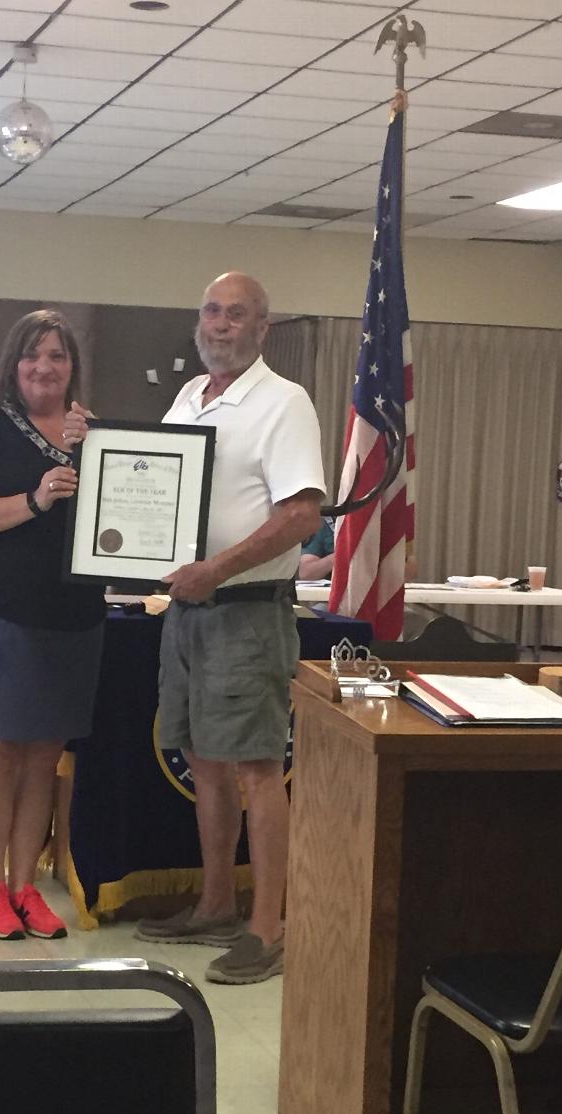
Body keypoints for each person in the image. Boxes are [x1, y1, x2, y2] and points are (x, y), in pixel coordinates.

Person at [135, 272, 325, 984]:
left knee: (255, 770)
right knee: (203, 760)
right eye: (211, 310)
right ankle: (216, 902)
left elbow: (302, 514)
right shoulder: (190, 396)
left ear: (262, 327)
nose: (219, 324)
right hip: (186, 611)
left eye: (235, 314)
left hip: (247, 613)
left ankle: (267, 925)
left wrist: (215, 569)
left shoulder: (284, 402)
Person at [0, 309, 104, 943]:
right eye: (34, 355)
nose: (45, 366)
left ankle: (24, 886)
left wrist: (99, 449)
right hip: (0, 615)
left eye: (58, 356)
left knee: (44, 759)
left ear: (72, 367)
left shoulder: (95, 434)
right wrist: (35, 500)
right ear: (14, 364)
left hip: (74, 617)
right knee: (1, 753)